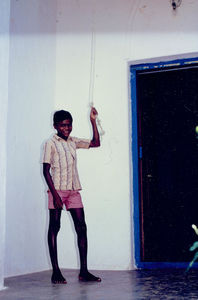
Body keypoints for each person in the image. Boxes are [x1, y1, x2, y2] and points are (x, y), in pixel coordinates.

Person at [42, 107, 101, 284]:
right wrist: (55, 195)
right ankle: (56, 272)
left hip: (73, 190)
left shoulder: (73, 141)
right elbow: (45, 171)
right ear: (55, 126)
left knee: (81, 227)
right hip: (57, 190)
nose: (66, 128)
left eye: (69, 125)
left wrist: (93, 121)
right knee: (55, 227)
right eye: (62, 126)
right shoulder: (50, 143)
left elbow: (96, 143)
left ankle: (84, 271)